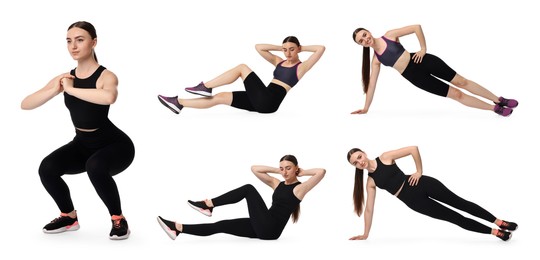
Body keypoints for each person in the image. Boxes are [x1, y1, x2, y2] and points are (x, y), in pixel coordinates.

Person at [21, 21, 135, 240]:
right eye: (69, 40)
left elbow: (108, 97)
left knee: (95, 166)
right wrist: (55, 89)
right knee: (47, 168)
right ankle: (69, 217)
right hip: (83, 144)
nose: (73, 46)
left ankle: (118, 220)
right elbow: (26, 103)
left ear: (94, 42)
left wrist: (71, 90)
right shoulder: (66, 77)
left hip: (116, 146)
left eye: (80, 40)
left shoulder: (106, 76)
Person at [346, 146, 517, 241]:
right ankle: (495, 232)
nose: (360, 162)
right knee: (456, 218)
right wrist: (366, 233)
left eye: (359, 157)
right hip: (414, 202)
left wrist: (418, 171)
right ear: (355, 166)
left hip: (422, 184)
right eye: (355, 162)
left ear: (364, 153)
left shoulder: (384, 157)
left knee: (461, 203)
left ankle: (500, 222)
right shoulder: (370, 182)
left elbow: (413, 149)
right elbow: (369, 209)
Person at [351, 25, 518, 116]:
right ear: (361, 45)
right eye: (361, 40)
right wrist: (366, 108)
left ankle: (499, 99)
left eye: (364, 35)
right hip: (415, 77)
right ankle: (494, 109)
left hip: (423, 60)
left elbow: (416, 27)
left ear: (369, 31)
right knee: (456, 95)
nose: (365, 39)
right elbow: (372, 85)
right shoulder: (376, 60)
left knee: (462, 82)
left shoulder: (389, 35)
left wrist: (423, 49)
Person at [157, 155, 325, 240]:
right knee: (221, 225)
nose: (284, 172)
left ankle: (209, 204)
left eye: (288, 168)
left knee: (248, 189)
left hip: (271, 229)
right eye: (282, 168)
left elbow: (321, 172)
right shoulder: (277, 183)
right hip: (263, 224)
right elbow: (255, 169)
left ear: (296, 168)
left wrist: (302, 172)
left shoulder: (300, 189)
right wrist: (277, 170)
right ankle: (178, 229)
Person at [157, 36, 325, 114]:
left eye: (292, 49)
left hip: (269, 101)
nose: (288, 53)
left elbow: (320, 49)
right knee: (221, 97)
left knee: (242, 68)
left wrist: (301, 47)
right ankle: (179, 103)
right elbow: (259, 47)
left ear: (298, 49)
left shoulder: (301, 67)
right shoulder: (278, 61)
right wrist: (280, 46)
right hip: (262, 99)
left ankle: (206, 86)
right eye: (285, 49)